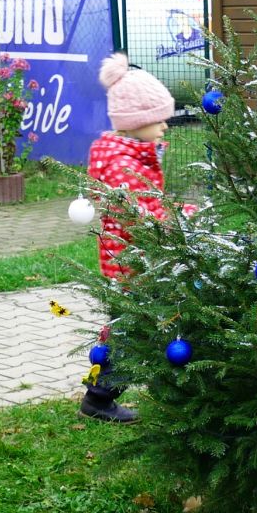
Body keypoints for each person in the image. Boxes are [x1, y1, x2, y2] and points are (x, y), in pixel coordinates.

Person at [80, 53, 179, 423]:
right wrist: (182, 219)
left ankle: (96, 394)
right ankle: (99, 398)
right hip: (131, 264)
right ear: (136, 121)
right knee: (129, 334)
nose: (166, 127)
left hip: (125, 261)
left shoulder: (124, 153)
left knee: (120, 332)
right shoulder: (125, 165)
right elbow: (143, 214)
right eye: (159, 120)